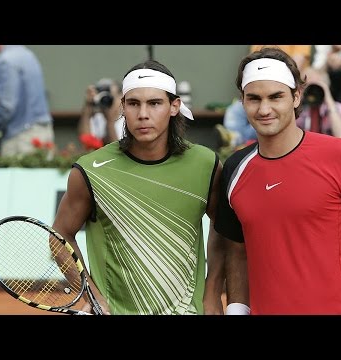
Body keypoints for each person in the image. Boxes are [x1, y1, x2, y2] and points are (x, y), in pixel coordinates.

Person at [214, 47, 341, 315]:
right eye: (254, 98)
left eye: (276, 97)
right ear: (243, 101)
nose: (265, 109)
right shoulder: (234, 168)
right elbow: (238, 253)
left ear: (296, 96)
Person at [52, 60, 226, 315]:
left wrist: (211, 294)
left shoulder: (206, 165)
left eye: (154, 103)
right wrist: (93, 295)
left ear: (174, 106)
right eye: (133, 103)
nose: (143, 114)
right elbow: (59, 237)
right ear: (122, 107)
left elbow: (223, 231)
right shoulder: (90, 170)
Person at [0, 45, 54, 157]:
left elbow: (7, 106)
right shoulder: (28, 55)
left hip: (22, 137)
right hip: (43, 132)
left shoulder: (5, 61)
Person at [298, 67, 341, 138]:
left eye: (316, 86)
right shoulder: (301, 112)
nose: (312, 91)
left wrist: (329, 100)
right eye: (306, 86)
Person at [78, 78, 124, 144]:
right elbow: (87, 142)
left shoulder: (126, 120)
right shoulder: (98, 117)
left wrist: (110, 122)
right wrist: (88, 106)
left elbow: (117, 149)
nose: (106, 100)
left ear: (121, 97)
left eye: (110, 96)